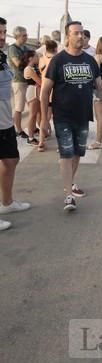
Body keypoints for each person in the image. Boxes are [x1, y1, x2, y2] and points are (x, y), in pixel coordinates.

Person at [40, 21, 102, 211]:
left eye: (81, 33)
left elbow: (100, 87)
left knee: (78, 153)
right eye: (75, 33)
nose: (79, 36)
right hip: (63, 116)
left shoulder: (89, 60)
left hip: (83, 115)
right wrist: (45, 118)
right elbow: (45, 91)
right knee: (66, 153)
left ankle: (69, 183)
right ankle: (68, 195)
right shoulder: (58, 60)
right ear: (67, 36)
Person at [0, 17, 31, 228]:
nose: (2, 37)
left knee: (11, 160)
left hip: (5, 120)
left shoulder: (2, 56)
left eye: (4, 32)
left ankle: (7, 202)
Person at [87, 36, 102, 149]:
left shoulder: (98, 57)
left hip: (99, 89)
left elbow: (94, 73)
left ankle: (98, 141)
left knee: (100, 115)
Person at [7, 26, 29, 138]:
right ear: (17, 36)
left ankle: (31, 127)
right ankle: (19, 129)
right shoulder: (13, 48)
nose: (27, 37)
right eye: (24, 35)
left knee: (30, 106)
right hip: (19, 81)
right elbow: (18, 64)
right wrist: (30, 61)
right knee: (19, 107)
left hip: (27, 81)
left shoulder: (25, 48)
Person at [38, 40, 58, 151]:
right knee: (58, 117)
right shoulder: (57, 59)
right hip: (55, 92)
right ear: (55, 48)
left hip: (43, 92)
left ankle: (41, 141)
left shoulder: (42, 59)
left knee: (44, 118)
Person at [22, 51, 41, 146]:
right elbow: (40, 81)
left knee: (36, 114)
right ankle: (30, 138)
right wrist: (40, 82)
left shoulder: (35, 67)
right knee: (32, 115)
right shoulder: (29, 69)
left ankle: (34, 132)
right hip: (32, 92)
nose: (38, 57)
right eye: (36, 56)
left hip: (35, 91)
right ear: (30, 58)